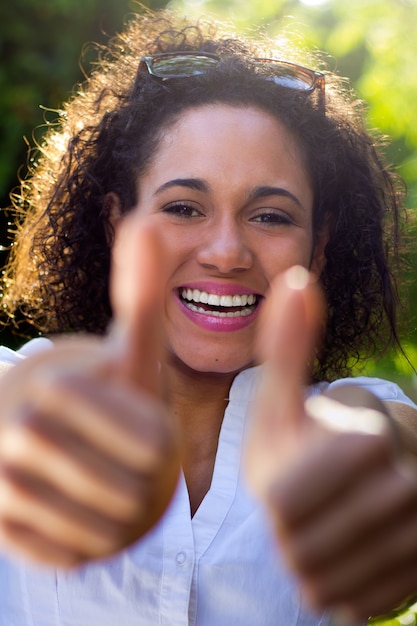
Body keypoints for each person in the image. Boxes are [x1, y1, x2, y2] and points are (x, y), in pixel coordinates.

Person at [0, 9, 417, 626]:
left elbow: (394, 447)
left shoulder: (345, 422)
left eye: (271, 215)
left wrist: (381, 461)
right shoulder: (19, 401)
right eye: (184, 207)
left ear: (319, 245)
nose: (226, 252)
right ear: (119, 225)